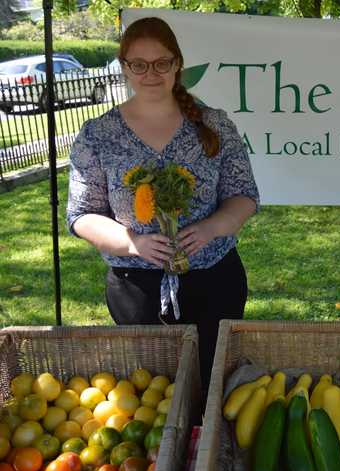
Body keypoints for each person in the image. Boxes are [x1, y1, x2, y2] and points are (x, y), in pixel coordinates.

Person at [66, 17, 259, 392]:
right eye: (138, 64)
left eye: (161, 63)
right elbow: (81, 214)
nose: (150, 73)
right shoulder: (98, 134)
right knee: (154, 395)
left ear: (177, 65)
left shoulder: (214, 125)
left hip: (214, 279)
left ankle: (206, 450)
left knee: (211, 388)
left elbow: (244, 195)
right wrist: (132, 242)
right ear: (123, 67)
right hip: (135, 288)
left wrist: (212, 227)